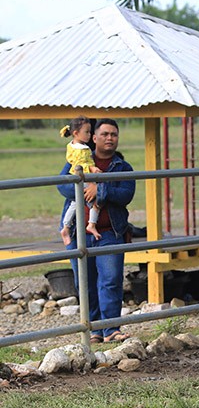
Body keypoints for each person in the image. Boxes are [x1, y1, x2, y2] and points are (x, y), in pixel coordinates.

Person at [57, 118, 136, 344]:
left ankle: (110, 329)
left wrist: (99, 189)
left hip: (109, 231)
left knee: (110, 279)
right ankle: (93, 329)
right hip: (79, 232)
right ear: (94, 138)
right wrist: (85, 188)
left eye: (114, 134)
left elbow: (125, 195)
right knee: (85, 282)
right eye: (104, 134)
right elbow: (62, 185)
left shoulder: (122, 166)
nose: (109, 138)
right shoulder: (78, 158)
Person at [59, 116, 102, 245]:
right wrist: (91, 168)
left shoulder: (79, 146)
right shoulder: (77, 149)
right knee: (96, 201)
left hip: (85, 177)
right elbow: (77, 165)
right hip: (83, 178)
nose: (89, 135)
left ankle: (66, 227)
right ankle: (91, 224)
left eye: (90, 132)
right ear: (76, 133)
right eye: (87, 132)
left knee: (75, 202)